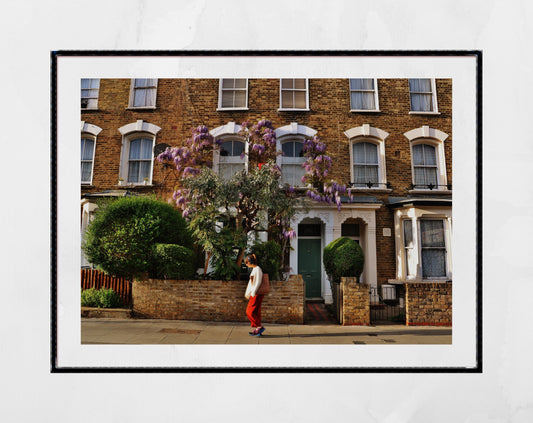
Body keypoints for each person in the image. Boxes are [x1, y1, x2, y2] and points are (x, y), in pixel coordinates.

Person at [244, 254, 266, 336]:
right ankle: (257, 329)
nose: (246, 264)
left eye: (246, 263)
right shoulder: (254, 269)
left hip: (256, 294)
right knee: (256, 312)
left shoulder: (257, 269)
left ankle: (259, 327)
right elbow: (251, 283)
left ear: (250, 262)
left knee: (249, 311)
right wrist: (248, 292)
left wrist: (253, 292)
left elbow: (258, 282)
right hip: (254, 293)